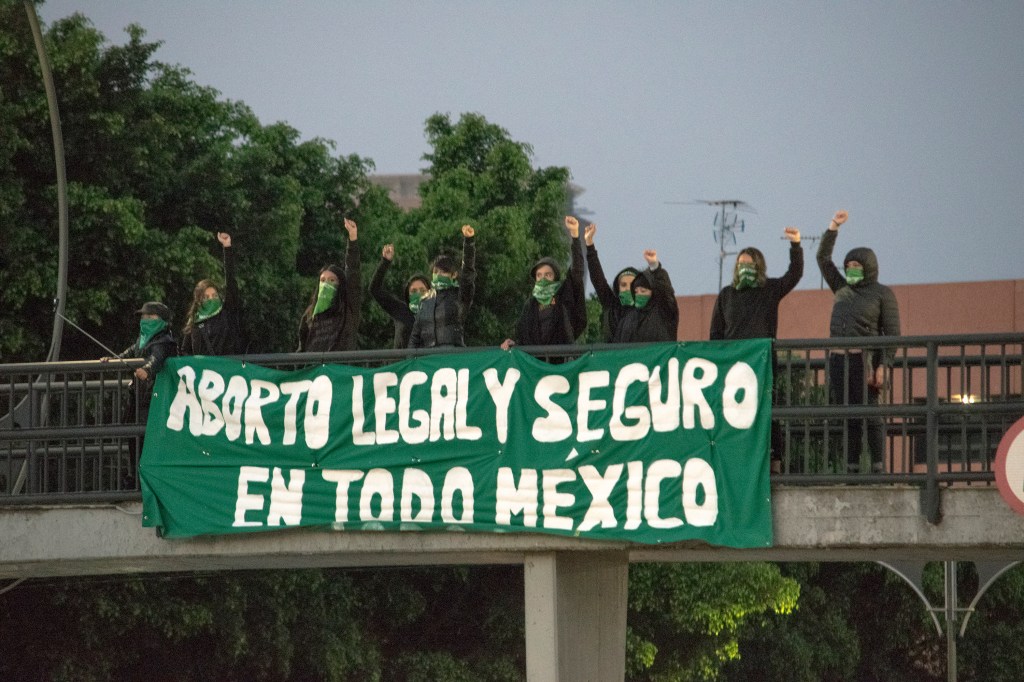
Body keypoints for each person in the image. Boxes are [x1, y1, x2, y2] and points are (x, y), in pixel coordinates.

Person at [710, 227, 804, 472]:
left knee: (766, 410)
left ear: (759, 267)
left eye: (749, 265)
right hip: (733, 367)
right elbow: (715, 334)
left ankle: (774, 459)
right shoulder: (726, 295)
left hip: (762, 364)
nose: (744, 269)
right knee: (734, 412)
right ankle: (737, 457)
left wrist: (795, 245)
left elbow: (794, 275)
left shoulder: (769, 290)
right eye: (740, 264)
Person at [817, 209, 901, 473]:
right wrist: (833, 227)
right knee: (849, 417)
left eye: (857, 267)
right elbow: (823, 259)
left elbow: (892, 333)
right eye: (848, 267)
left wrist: (883, 364)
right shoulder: (842, 289)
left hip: (864, 361)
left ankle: (878, 467)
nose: (851, 271)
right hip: (839, 359)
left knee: (872, 415)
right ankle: (852, 468)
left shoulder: (882, 294)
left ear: (868, 268)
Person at [101, 301, 178, 486]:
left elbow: (157, 358)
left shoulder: (164, 341)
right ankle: (135, 476)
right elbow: (130, 353)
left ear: (162, 321)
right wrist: (113, 359)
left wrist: (148, 369)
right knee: (134, 438)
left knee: (146, 438)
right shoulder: (143, 339)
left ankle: (144, 479)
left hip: (154, 399)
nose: (145, 320)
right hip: (139, 397)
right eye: (143, 317)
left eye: (150, 317)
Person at [501, 216, 586, 351]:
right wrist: (513, 344)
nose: (543, 279)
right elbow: (523, 338)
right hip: (536, 367)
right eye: (539, 275)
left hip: (561, 364)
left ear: (555, 278)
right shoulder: (530, 305)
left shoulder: (563, 296)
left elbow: (577, 271)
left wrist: (575, 236)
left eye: (548, 275)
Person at [298, 218, 360, 353]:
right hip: (314, 373)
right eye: (323, 280)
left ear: (340, 285)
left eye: (332, 281)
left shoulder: (347, 309)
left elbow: (353, 273)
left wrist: (352, 239)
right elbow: (301, 349)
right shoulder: (309, 315)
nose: (326, 284)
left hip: (339, 371)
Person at [409, 224, 476, 348]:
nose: (438, 275)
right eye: (435, 272)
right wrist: (409, 362)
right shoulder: (425, 301)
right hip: (428, 360)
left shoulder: (459, 296)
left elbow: (468, 275)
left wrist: (469, 243)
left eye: (443, 272)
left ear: (454, 274)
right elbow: (415, 337)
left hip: (452, 356)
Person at [180, 232, 244, 356]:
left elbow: (231, 283)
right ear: (199, 301)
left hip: (226, 371)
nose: (211, 299)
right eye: (206, 297)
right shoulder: (194, 322)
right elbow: (185, 351)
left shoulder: (226, 313)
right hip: (203, 373)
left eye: (214, 296)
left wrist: (227, 247)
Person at [370, 243, 431, 349]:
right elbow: (375, 289)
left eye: (422, 290)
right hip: (402, 364)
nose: (418, 294)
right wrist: (385, 261)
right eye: (414, 291)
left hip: (426, 364)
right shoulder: (401, 310)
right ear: (407, 294)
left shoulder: (436, 313)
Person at [585, 223, 639, 342]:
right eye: (623, 285)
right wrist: (589, 243)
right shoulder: (611, 306)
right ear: (617, 288)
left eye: (632, 285)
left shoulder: (646, 310)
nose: (627, 288)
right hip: (612, 358)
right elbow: (597, 279)